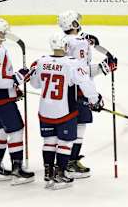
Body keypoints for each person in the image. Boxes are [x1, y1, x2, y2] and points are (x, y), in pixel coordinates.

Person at [29, 33, 104, 189]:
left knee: (49, 142)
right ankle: (61, 174)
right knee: (65, 142)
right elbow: (85, 83)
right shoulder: (72, 63)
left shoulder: (41, 61)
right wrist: (95, 100)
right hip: (65, 111)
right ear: (65, 46)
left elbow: (35, 84)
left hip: (45, 110)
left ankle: (48, 173)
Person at [58, 10, 117, 178]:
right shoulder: (79, 43)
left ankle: (64, 161)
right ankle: (70, 162)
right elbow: (81, 72)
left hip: (66, 89)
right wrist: (103, 69)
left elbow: (74, 69)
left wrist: (101, 67)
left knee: (69, 125)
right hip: (78, 90)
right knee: (80, 125)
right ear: (73, 24)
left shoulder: (63, 40)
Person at [0, 18, 34, 184]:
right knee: (16, 130)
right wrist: (19, 77)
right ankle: (17, 170)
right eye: (4, 30)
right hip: (0, 97)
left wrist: (13, 88)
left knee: (1, 131)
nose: (6, 32)